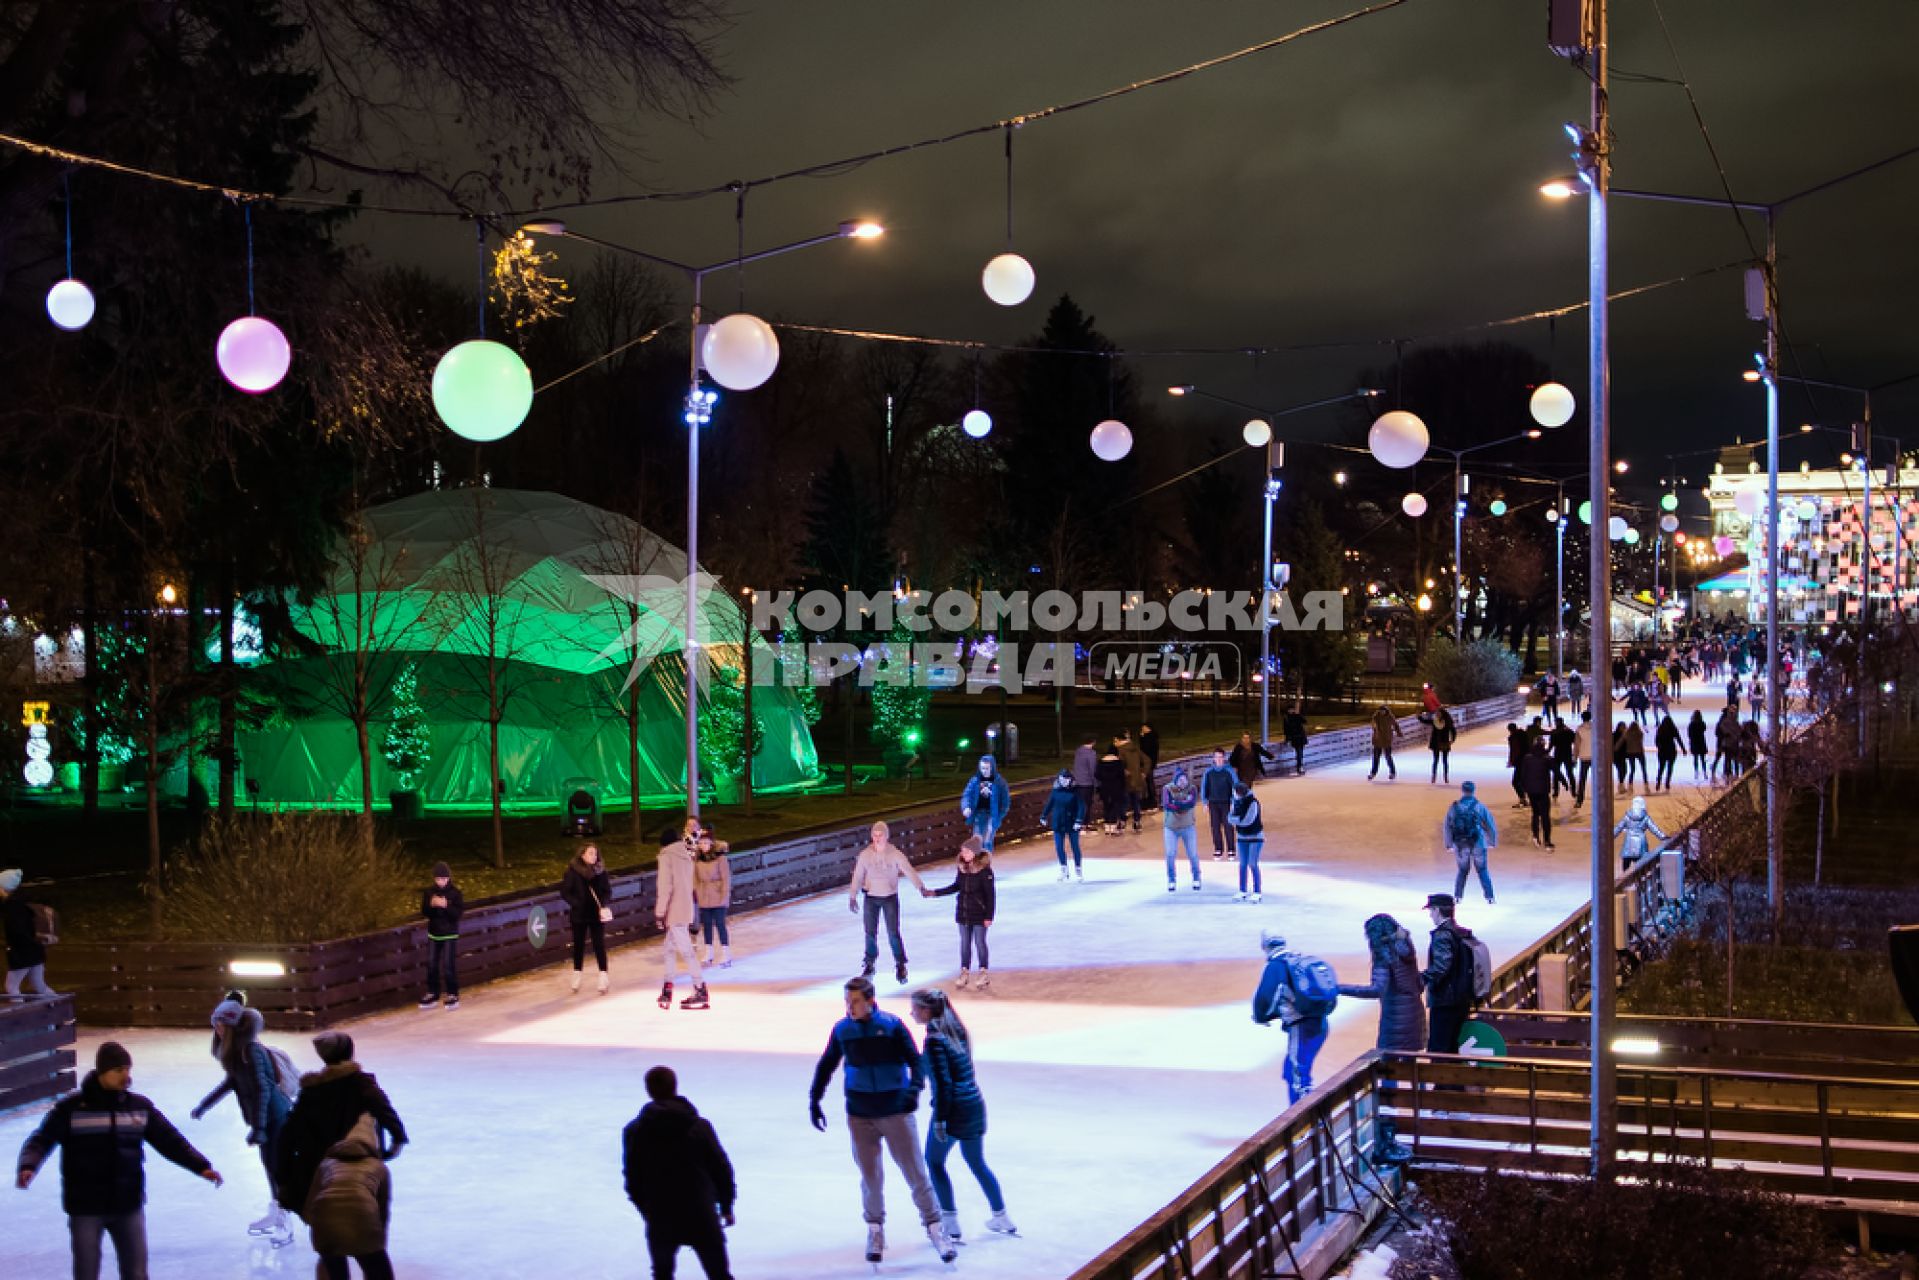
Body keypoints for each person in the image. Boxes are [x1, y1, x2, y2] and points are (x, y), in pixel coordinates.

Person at [17, 1041, 224, 1280]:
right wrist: (28, 1165)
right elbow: (42, 1139)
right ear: (102, 1072)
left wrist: (201, 1166)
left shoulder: (139, 1107)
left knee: (136, 1274)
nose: (126, 1076)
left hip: (128, 1204)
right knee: (86, 1273)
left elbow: (170, 1140)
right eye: (119, 1070)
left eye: (128, 1069)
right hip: (86, 1207)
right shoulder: (72, 1109)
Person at [808, 976, 956, 1267]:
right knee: (871, 1178)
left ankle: (936, 1228)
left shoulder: (891, 1026)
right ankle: (875, 1230)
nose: (849, 1007)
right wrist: (815, 1098)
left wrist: (913, 1092)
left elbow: (916, 1062)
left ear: (870, 1001)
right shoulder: (842, 1030)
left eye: (855, 1002)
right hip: (860, 1115)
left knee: (916, 1174)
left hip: (895, 1112)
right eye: (846, 1002)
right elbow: (827, 1063)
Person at [275, 1030, 407, 1259]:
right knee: (369, 1250)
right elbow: (384, 1110)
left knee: (331, 1249)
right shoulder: (361, 1085)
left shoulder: (311, 1093)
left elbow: (286, 1137)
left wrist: (284, 1181)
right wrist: (397, 1139)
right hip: (357, 1173)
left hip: (318, 1177)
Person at [909, 989, 1015, 1245]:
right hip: (975, 1105)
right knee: (977, 1162)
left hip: (954, 1109)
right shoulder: (958, 1029)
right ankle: (1001, 1216)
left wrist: (941, 1120)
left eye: (914, 1008)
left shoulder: (934, 1040)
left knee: (933, 1162)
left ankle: (950, 1222)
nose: (911, 1013)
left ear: (926, 1011)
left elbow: (944, 1084)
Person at [192, 997, 294, 1241]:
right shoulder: (236, 1052)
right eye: (214, 1024)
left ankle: (286, 1221)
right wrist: (205, 1105)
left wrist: (259, 1128)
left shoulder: (251, 1050)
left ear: (232, 1026)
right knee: (271, 1168)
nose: (216, 1029)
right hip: (264, 1119)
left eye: (220, 1024)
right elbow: (231, 1082)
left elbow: (263, 1090)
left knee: (278, 1170)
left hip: (275, 1117)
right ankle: (278, 1211)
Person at [624, 1065, 736, 1280]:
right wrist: (727, 1205)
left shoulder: (634, 1131)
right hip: (701, 1213)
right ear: (675, 1087)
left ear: (648, 1090)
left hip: (661, 1216)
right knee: (719, 1274)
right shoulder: (700, 1127)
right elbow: (721, 1168)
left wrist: (648, 1211)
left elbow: (632, 1179)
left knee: (663, 1275)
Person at [304, 1112, 394, 1280]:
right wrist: (376, 1248)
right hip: (363, 1221)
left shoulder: (326, 1164)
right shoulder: (379, 1168)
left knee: (336, 1273)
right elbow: (383, 1215)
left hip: (325, 1224)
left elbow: (310, 1208)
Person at [1251, 933, 1332, 1104]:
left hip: (1301, 1026)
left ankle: (1303, 1122)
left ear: (1265, 946)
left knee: (1298, 1075)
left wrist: (1260, 1017)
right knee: (1292, 1070)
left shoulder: (1275, 966)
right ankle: (1306, 1117)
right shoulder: (1297, 959)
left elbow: (1266, 996)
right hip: (1320, 1022)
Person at [849, 820, 928, 984]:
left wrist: (920, 887)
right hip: (871, 898)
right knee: (870, 932)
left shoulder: (895, 854)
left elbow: (908, 869)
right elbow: (857, 875)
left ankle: (900, 963)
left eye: (880, 835)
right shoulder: (866, 855)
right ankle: (869, 963)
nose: (877, 838)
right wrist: (853, 895)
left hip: (889, 898)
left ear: (886, 836)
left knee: (893, 932)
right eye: (875, 835)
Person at [1335, 914, 1427, 1052]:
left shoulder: (1384, 956)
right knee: (1409, 1063)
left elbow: (1376, 990)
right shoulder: (1406, 948)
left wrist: (1339, 988)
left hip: (1395, 1022)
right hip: (1415, 1016)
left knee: (1388, 1066)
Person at [931, 836, 996, 989]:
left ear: (974, 852)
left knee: (980, 942)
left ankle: (983, 973)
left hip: (979, 914)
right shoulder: (962, 869)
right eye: (962, 851)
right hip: (963, 913)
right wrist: (935, 893)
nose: (963, 854)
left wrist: (989, 916)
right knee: (965, 944)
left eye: (966, 851)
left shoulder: (985, 871)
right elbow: (956, 887)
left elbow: (990, 895)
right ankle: (964, 972)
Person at [657, 820, 710, 1010]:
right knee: (669, 949)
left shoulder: (666, 857)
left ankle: (700, 988)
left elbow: (665, 887)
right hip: (685, 909)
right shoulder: (686, 855)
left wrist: (659, 913)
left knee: (686, 951)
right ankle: (667, 986)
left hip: (674, 911)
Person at [1419, 893, 1477, 1055]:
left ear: (1437, 910)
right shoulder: (1461, 932)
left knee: (1440, 1049)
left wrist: (1421, 978)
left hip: (1445, 1001)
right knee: (1453, 1048)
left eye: (1431, 910)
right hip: (1461, 998)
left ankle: (1444, 1080)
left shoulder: (1442, 935)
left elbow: (1441, 966)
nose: (1430, 915)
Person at [561, 843, 614, 995]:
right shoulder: (573, 872)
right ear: (582, 855)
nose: (594, 856)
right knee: (578, 945)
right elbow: (565, 892)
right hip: (579, 915)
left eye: (595, 853)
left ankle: (603, 975)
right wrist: (576, 903)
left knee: (599, 944)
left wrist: (602, 903)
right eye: (590, 853)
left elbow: (607, 891)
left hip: (596, 915)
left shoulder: (600, 872)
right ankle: (577, 974)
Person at [1, 868, 56, 998]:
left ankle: (18, 1017)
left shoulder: (12, 907)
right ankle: (62, 1011)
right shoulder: (22, 903)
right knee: (39, 985)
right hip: (34, 951)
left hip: (23, 954)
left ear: (4, 888)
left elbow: (17, 932)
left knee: (11, 987)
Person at [1441, 781, 1497, 904]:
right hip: (1478, 843)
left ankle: (1458, 896)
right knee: (1482, 870)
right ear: (1473, 790)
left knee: (1462, 870)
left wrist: (1448, 844)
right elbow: (1489, 824)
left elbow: (1447, 826)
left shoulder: (1454, 807)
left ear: (1462, 790)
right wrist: (1492, 841)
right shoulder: (1479, 806)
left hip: (1460, 845)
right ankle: (1490, 897)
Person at [418, 861, 464, 1010]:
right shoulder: (429, 892)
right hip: (434, 934)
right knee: (432, 964)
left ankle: (452, 994)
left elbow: (457, 914)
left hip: (449, 934)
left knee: (448, 965)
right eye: (438, 879)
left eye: (444, 879)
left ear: (448, 878)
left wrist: (446, 905)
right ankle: (433, 993)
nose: (441, 882)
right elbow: (425, 911)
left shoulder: (455, 893)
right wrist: (432, 905)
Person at [694, 826, 735, 966]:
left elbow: (726, 878)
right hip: (704, 896)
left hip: (718, 895)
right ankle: (708, 952)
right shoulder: (698, 858)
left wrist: (724, 896)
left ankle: (726, 953)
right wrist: (698, 891)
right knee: (706, 925)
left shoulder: (720, 858)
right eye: (701, 843)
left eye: (705, 842)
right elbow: (695, 878)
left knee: (720, 924)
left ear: (711, 843)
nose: (703, 845)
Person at [1160, 765, 1201, 892]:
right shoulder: (1167, 789)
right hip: (1171, 828)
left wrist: (1177, 803)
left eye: (1184, 780)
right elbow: (1167, 804)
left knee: (1193, 854)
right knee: (1170, 854)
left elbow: (1191, 803)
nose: (1183, 782)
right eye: (1180, 780)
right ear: (1175, 781)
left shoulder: (1192, 788)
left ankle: (1196, 877)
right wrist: (1181, 804)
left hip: (1188, 827)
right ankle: (1171, 879)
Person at [959, 754, 1011, 851]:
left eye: (987, 768)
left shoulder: (999, 782)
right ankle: (978, 863)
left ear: (992, 768)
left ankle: (986, 862)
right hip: (978, 814)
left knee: (987, 840)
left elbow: (1005, 802)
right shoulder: (975, 781)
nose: (984, 771)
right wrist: (966, 807)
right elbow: (967, 795)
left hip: (992, 815)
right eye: (982, 768)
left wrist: (999, 816)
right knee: (977, 841)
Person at [1041, 770, 1084, 881]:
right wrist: (1043, 816)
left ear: (1070, 780)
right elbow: (1049, 804)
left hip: (1072, 823)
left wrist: (1078, 821)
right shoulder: (1055, 792)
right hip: (1058, 823)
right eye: (1062, 779)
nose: (1064, 781)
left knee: (1075, 847)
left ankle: (1078, 869)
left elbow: (1081, 807)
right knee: (1059, 847)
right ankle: (1064, 869)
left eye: (1066, 779)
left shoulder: (1076, 792)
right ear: (1059, 779)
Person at [1230, 781, 1265, 904]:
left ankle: (1257, 892)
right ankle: (1242, 890)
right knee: (1242, 864)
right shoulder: (1235, 802)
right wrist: (1236, 820)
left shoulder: (1253, 802)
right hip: (1241, 837)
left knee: (1252, 863)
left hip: (1256, 837)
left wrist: (1236, 820)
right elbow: (1230, 817)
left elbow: (1248, 820)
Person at [1614, 795, 1671, 869]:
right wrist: (1663, 837)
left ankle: (1626, 879)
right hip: (1641, 843)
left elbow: (1619, 827)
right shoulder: (1645, 817)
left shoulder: (1627, 816)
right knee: (1641, 866)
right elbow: (1654, 828)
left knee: (1626, 865)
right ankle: (1638, 879)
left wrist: (1610, 837)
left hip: (1629, 843)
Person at [1519, 737, 1554, 850]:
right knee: (1545, 816)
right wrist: (1564, 782)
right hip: (1543, 790)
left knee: (1535, 813)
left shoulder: (1527, 758)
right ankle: (1547, 840)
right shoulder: (1547, 758)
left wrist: (1524, 788)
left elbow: (1523, 774)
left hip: (1531, 790)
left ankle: (1535, 835)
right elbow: (1557, 771)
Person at [1116, 731, 1148, 832]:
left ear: (1119, 740)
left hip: (1126, 781)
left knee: (1124, 802)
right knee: (1136, 802)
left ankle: (1122, 822)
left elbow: (1120, 765)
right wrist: (1143, 773)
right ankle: (1137, 823)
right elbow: (1147, 760)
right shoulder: (1135, 748)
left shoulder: (1121, 750)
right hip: (1137, 780)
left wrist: (1124, 771)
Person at [1095, 741, 1128, 835]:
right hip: (1116, 788)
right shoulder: (1118, 763)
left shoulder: (1100, 762)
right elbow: (1122, 776)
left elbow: (1097, 775)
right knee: (1114, 806)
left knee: (1106, 806)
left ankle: (1107, 827)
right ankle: (1113, 826)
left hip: (1104, 787)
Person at [1070, 733, 1098, 829]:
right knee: (1087, 804)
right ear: (1093, 742)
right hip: (1087, 783)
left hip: (1078, 781)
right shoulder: (1091, 753)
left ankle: (1080, 824)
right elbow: (1092, 769)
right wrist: (1096, 782)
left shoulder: (1078, 751)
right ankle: (1085, 824)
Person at [1367, 704, 1400, 781]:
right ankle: (1373, 773)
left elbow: (1396, 725)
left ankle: (1392, 772)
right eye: (1380, 711)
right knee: (1375, 757)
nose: (1382, 712)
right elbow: (1373, 724)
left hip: (1387, 740)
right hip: (1378, 740)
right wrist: (1374, 726)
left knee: (1388, 757)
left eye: (1383, 711)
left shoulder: (1390, 717)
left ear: (1386, 711)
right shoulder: (1376, 717)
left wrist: (1399, 732)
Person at [1549, 715, 1576, 799]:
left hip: (1558, 754)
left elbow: (1551, 744)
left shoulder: (1554, 732)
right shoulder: (1569, 731)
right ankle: (1574, 791)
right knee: (1570, 773)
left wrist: (1546, 752)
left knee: (1556, 773)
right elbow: (1574, 742)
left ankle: (1556, 792)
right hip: (1567, 753)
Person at [1654, 713, 1682, 792]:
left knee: (1661, 767)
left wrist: (1659, 747)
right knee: (1670, 768)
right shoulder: (1673, 728)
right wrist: (1683, 749)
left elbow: (1656, 740)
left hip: (1662, 751)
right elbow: (1678, 739)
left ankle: (1658, 782)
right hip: (1671, 750)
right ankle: (1667, 783)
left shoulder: (1660, 729)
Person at [1428, 707, 1456, 784]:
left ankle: (1446, 776)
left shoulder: (1447, 722)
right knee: (1435, 760)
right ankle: (1434, 776)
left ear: (1442, 714)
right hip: (1435, 743)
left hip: (1444, 742)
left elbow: (1453, 730)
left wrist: (1452, 740)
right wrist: (1419, 717)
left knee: (1445, 760)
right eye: (1436, 713)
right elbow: (1426, 721)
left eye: (1438, 713)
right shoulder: (1434, 721)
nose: (1437, 714)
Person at [1573, 709, 1594, 810]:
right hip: (1595, 757)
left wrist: (1574, 758)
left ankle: (1579, 800)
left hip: (1584, 757)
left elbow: (1577, 745)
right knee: (1597, 780)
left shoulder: (1579, 729)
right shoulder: (1596, 727)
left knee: (1582, 779)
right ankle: (1598, 798)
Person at [1505, 722, 1528, 808]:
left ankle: (1523, 799)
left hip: (1520, 762)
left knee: (1516, 781)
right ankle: (1524, 798)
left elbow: (1514, 750)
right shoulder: (1523, 734)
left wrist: (1511, 761)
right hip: (1525, 761)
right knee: (1522, 781)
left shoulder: (1513, 738)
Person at [1282, 704, 1309, 776]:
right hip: (1295, 737)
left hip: (1301, 737)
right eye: (1289, 710)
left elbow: (1305, 721)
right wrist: (1287, 739)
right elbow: (1286, 729)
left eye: (1292, 709)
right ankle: (1299, 767)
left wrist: (1299, 715)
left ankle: (1299, 767)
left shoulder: (1297, 716)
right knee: (1299, 752)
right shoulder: (1287, 718)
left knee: (1300, 752)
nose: (1291, 711)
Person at [1139, 722, 1162, 808]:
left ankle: (1152, 800)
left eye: (1144, 728)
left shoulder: (1149, 738)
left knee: (1149, 782)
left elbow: (1144, 749)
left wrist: (1141, 738)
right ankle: (1151, 799)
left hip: (1148, 763)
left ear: (1149, 728)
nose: (1142, 729)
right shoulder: (1152, 737)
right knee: (1149, 781)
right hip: (1150, 762)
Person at [1687, 709, 1710, 780]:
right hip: (1701, 742)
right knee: (1703, 759)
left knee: (1695, 759)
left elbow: (1689, 734)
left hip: (1694, 743)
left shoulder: (1691, 724)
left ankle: (1696, 772)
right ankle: (1705, 772)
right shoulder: (1702, 723)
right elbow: (1704, 729)